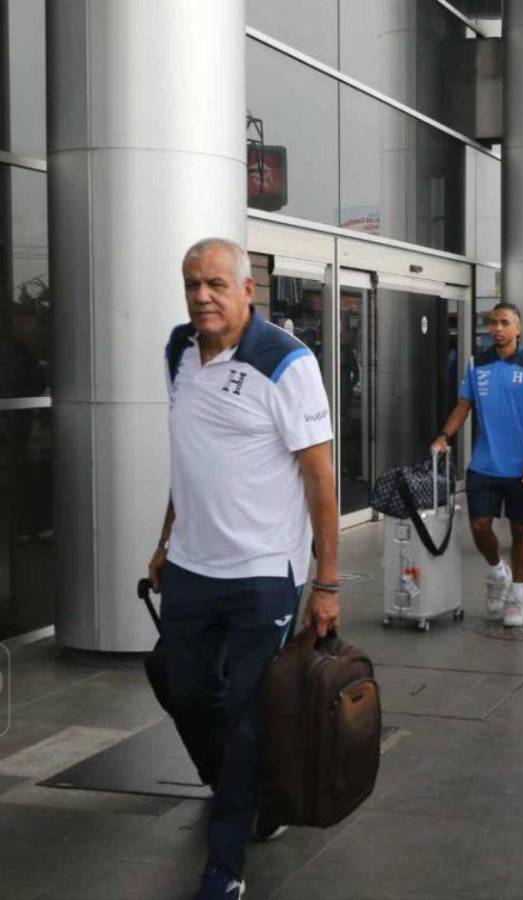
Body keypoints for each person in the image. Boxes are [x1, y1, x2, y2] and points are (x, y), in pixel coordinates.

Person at [148, 238, 339, 900]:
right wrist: (166, 540)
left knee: (246, 714)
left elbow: (320, 477)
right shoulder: (177, 350)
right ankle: (245, 782)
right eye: (192, 284)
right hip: (191, 567)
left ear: (247, 290)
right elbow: (192, 455)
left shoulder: (286, 361)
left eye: (216, 285)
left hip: (263, 572)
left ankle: (225, 865)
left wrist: (327, 581)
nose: (202, 297)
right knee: (186, 690)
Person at [431, 303, 523, 627]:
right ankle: (498, 572)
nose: (497, 328)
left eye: (504, 323)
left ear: (518, 328)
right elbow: (463, 406)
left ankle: (518, 596)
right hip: (484, 464)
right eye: (493, 323)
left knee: (520, 530)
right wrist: (444, 436)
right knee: (480, 526)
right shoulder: (476, 364)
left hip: (521, 467)